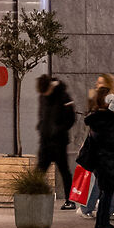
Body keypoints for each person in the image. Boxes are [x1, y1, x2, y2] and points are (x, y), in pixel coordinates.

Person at [80, 84, 114, 228]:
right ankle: (103, 222)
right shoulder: (108, 120)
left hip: (99, 160)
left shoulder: (96, 119)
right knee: (108, 191)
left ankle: (101, 222)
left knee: (105, 191)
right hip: (107, 161)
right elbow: (110, 143)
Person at [35, 71, 75, 200]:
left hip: (59, 141)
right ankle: (33, 196)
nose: (44, 95)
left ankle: (70, 199)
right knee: (40, 170)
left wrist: (58, 129)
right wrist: (41, 126)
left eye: (46, 92)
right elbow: (42, 115)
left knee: (64, 170)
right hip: (45, 141)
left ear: (51, 87)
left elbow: (71, 118)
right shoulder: (42, 95)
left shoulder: (63, 96)